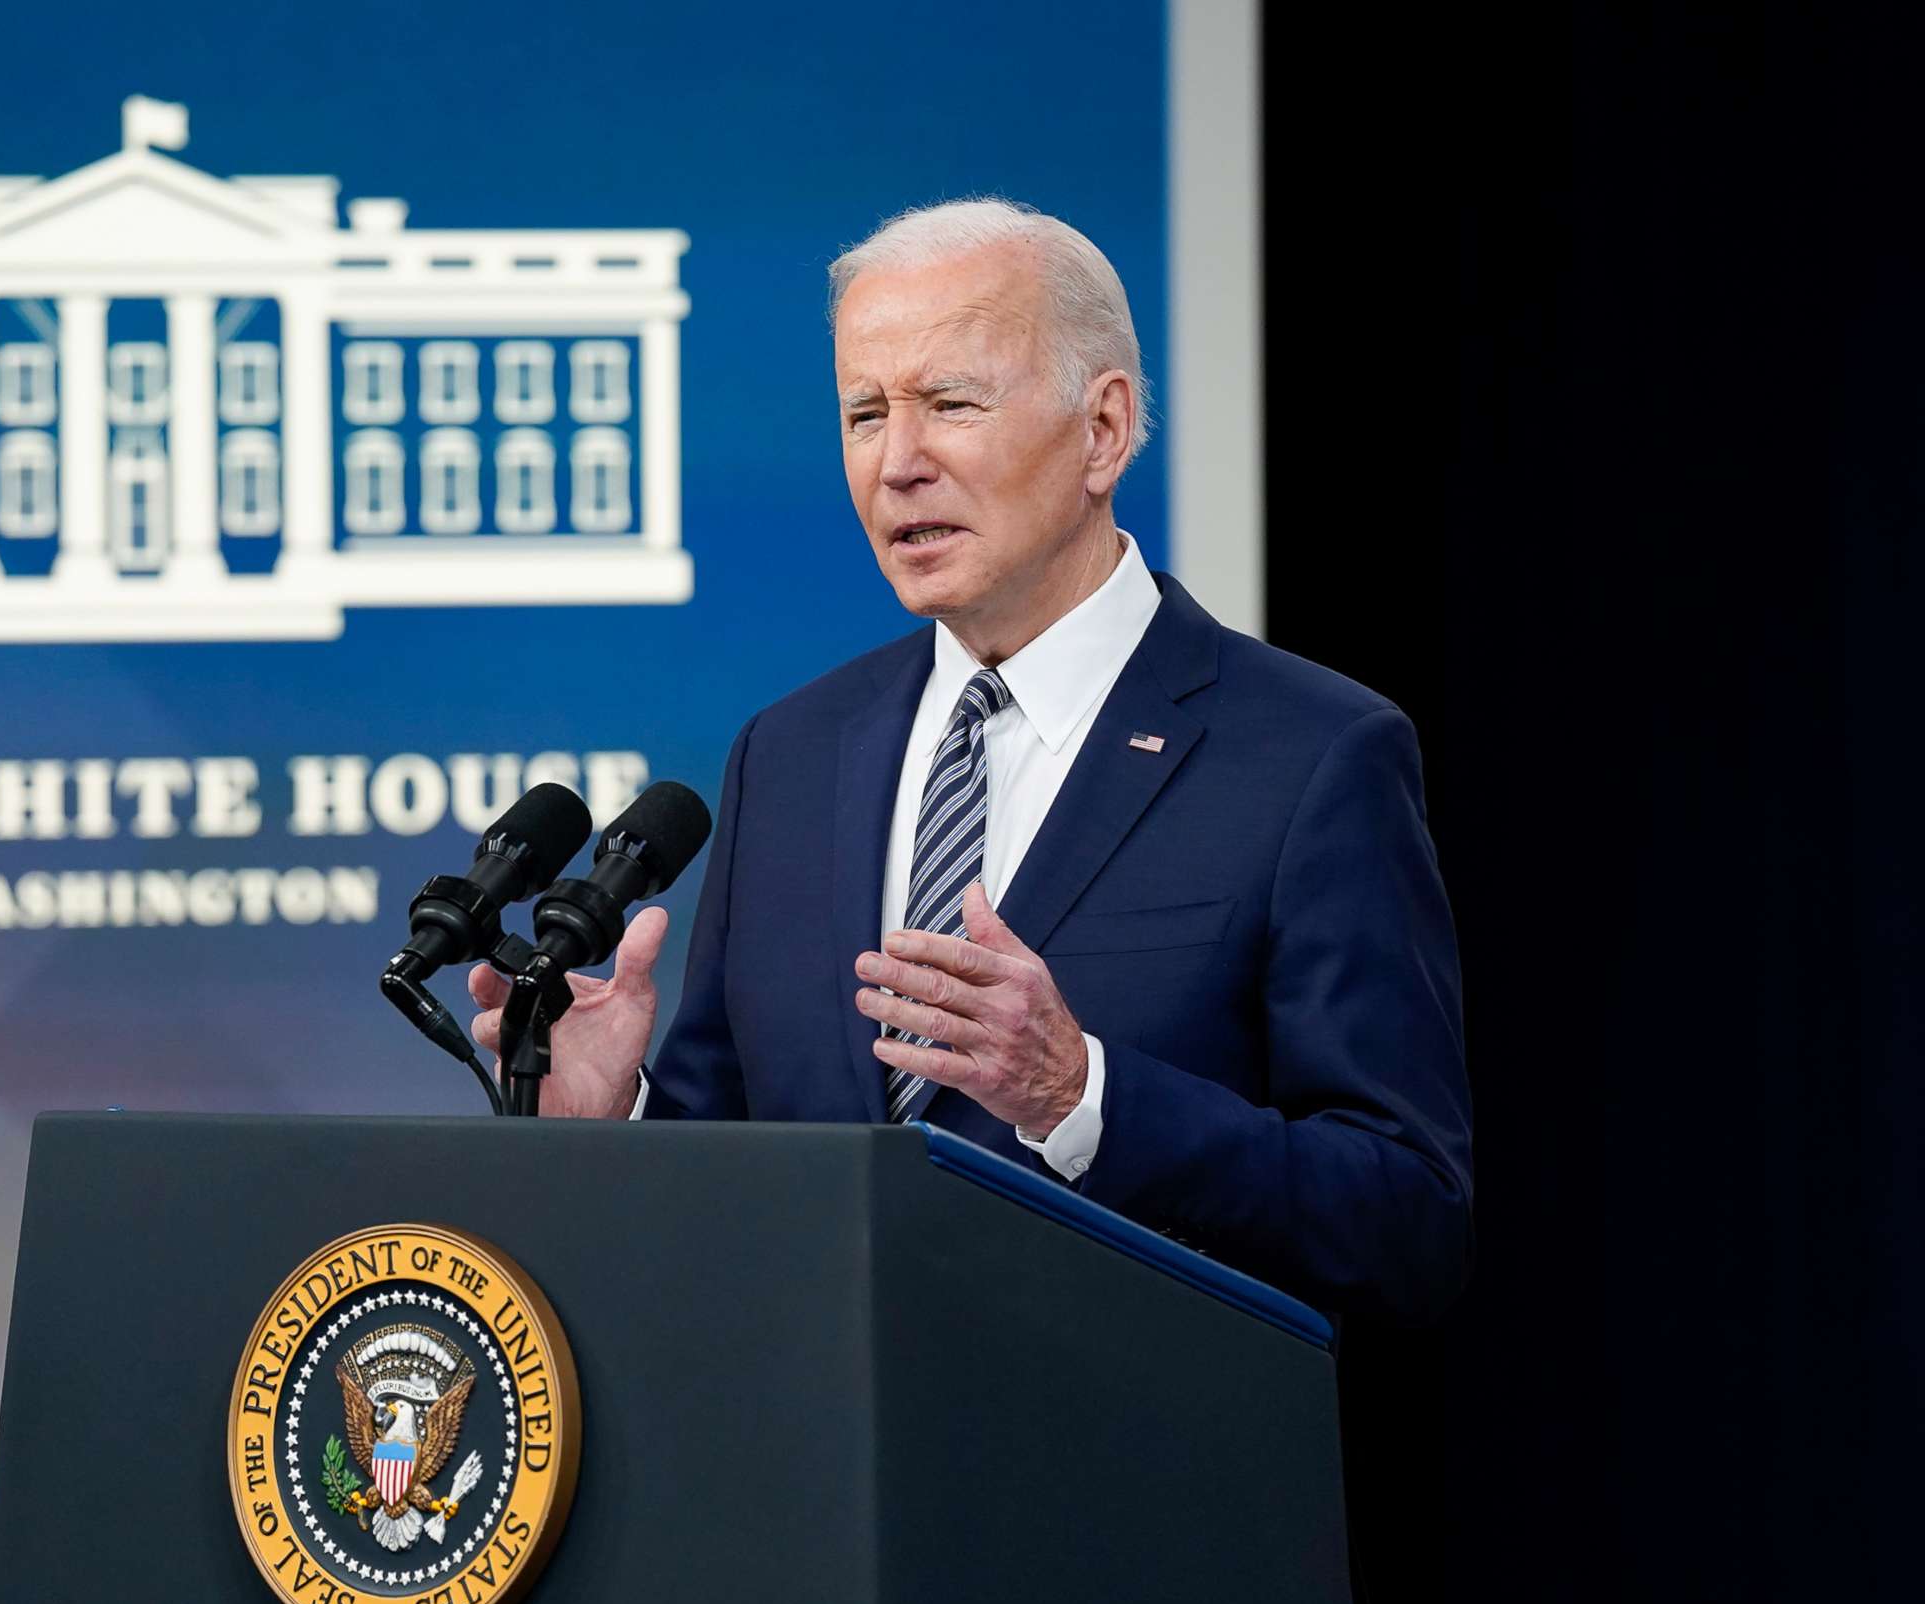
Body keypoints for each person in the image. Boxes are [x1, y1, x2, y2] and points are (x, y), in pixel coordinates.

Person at [467, 199, 1471, 1322]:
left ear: (1103, 430)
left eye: (951, 404)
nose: (898, 463)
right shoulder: (792, 753)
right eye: (864, 413)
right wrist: (624, 1123)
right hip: (819, 1480)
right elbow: (740, 1161)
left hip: (1124, 1476)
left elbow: (1408, 1217)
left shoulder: (1312, 755)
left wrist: (1080, 1093)